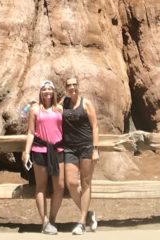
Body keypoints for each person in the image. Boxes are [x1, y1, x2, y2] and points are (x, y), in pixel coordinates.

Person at [23, 80, 65, 234]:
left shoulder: (59, 109)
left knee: (59, 186)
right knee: (41, 186)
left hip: (58, 150)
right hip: (39, 150)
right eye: (44, 89)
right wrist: (26, 152)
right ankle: (45, 222)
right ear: (40, 92)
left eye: (50, 89)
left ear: (54, 92)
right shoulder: (35, 109)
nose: (47, 91)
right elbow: (30, 131)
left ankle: (52, 219)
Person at [62, 74, 99, 235]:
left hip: (86, 147)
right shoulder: (63, 103)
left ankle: (82, 221)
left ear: (78, 86)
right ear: (66, 88)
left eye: (74, 84)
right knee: (70, 183)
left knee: (85, 184)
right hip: (69, 148)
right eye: (69, 85)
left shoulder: (86, 103)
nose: (72, 87)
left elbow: (95, 126)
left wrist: (95, 149)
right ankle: (89, 213)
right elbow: (50, 109)